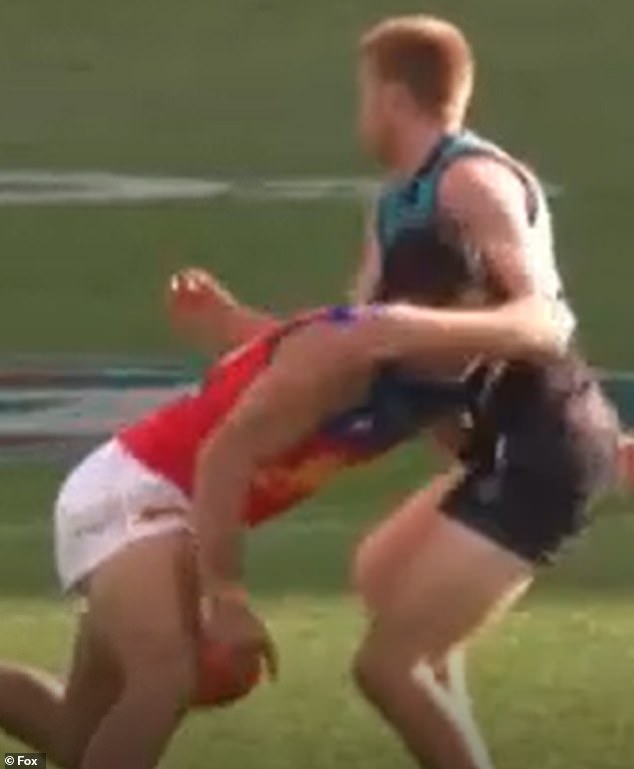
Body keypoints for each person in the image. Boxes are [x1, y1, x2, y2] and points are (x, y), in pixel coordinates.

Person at [195, 15, 620, 769]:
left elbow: (544, 321)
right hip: (496, 446)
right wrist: (238, 327)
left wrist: (404, 326)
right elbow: (350, 345)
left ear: (391, 98)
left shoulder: (472, 181)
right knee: (381, 576)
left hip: (545, 448)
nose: (360, 112)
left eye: (363, 94)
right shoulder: (396, 203)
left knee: (386, 666)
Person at [0, 255, 563, 769]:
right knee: (164, 675)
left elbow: (473, 445)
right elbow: (223, 458)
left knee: (73, 743)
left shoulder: (438, 378)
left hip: (174, 510)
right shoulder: (347, 357)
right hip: (136, 491)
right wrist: (227, 596)